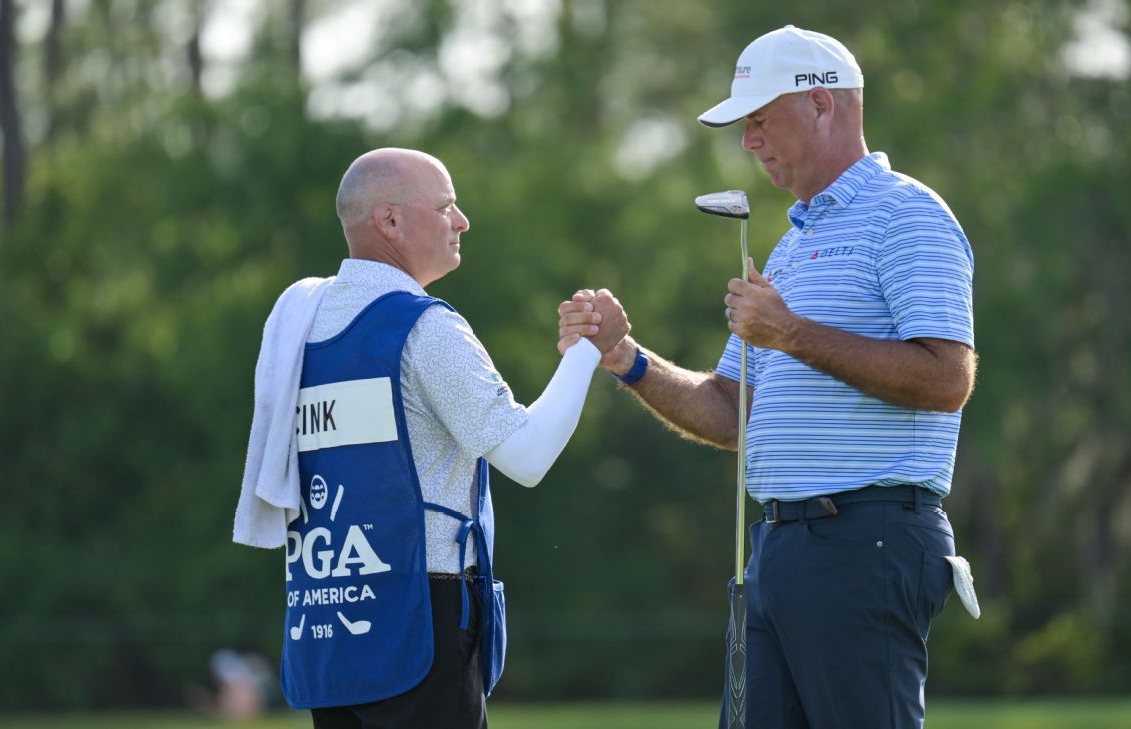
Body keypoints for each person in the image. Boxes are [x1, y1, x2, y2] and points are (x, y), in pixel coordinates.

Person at [559, 25, 977, 729]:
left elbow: (947, 380)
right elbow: (732, 413)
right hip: (778, 549)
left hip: (868, 541)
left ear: (822, 105)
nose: (749, 142)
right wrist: (627, 357)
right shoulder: (792, 245)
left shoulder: (909, 214)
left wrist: (790, 332)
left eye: (760, 120)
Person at [234, 148, 627, 728]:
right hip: (418, 615)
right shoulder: (424, 325)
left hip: (325, 615)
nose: (461, 221)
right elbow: (527, 455)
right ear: (390, 221)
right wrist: (588, 350)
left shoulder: (301, 326)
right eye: (445, 207)